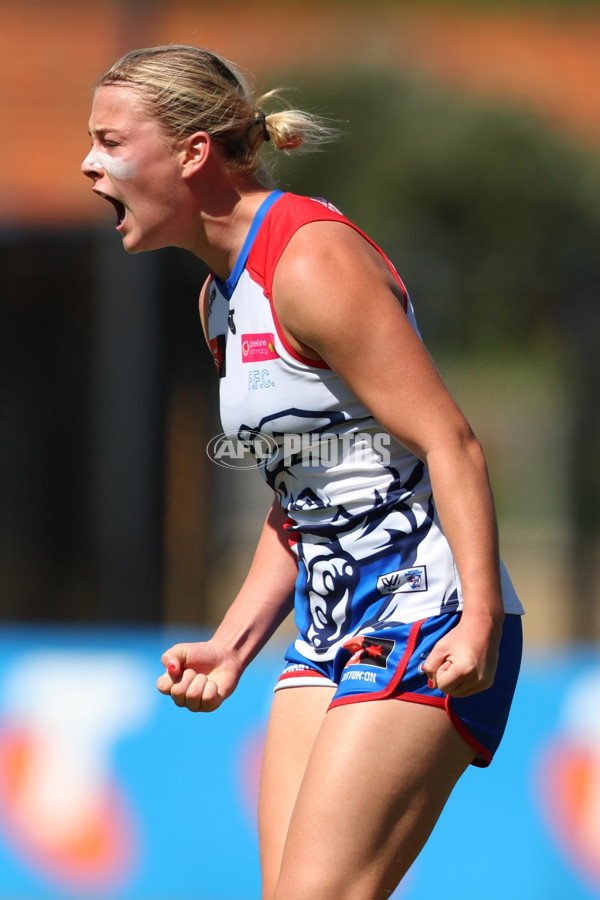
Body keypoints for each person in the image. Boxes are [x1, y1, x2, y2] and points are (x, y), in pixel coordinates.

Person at [82, 45, 524, 900]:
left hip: (423, 612)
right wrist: (234, 642)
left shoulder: (308, 260)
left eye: (109, 140)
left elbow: (452, 443)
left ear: (191, 152)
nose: (89, 164)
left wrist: (478, 620)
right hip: (326, 629)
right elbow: (305, 498)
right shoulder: (219, 301)